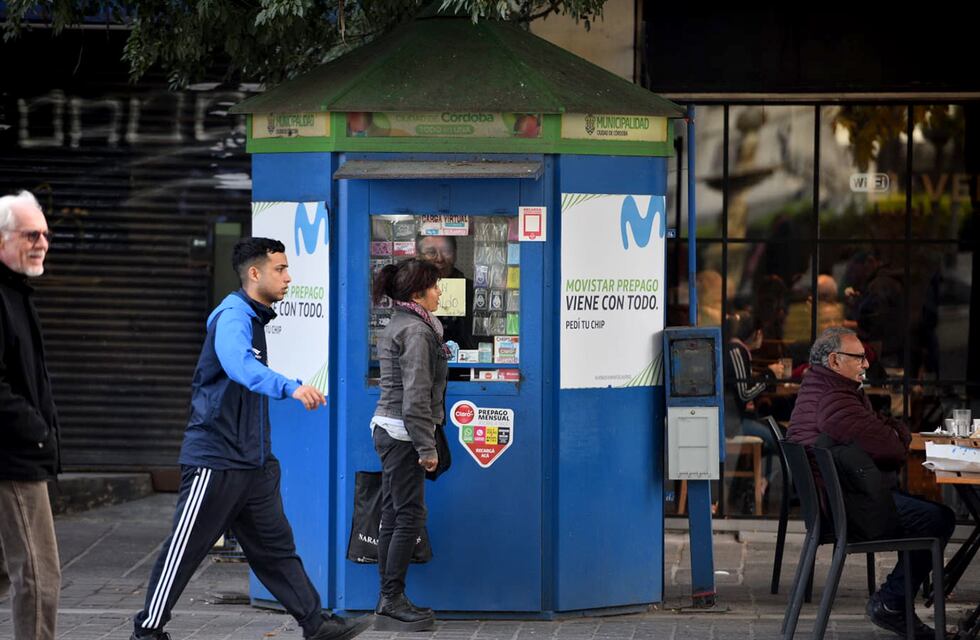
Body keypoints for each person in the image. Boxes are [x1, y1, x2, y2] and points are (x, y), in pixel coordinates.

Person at [132, 238, 367, 640]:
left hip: (254, 462)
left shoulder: (255, 316)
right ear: (254, 273)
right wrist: (290, 387)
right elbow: (240, 366)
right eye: (280, 269)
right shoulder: (232, 317)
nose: (289, 277)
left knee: (276, 548)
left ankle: (315, 624)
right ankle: (147, 631)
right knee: (184, 549)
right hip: (216, 458)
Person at [786, 327, 955, 640]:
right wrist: (897, 432)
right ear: (835, 360)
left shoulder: (819, 387)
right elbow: (891, 449)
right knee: (938, 518)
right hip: (849, 510)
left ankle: (893, 602)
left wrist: (889, 430)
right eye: (859, 358)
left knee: (927, 511)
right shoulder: (836, 399)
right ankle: (892, 604)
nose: (865, 364)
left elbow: (878, 432)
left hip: (836, 503)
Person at [370, 258, 447, 631]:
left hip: (393, 429)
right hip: (403, 433)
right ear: (418, 292)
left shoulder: (404, 324)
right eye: (434, 286)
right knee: (409, 516)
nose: (439, 291)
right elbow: (415, 396)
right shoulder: (416, 332)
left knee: (395, 513)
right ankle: (392, 599)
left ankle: (389, 598)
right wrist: (426, 448)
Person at [0, 190, 60, 640]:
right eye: (29, 234)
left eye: (45, 233)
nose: (41, 242)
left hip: (17, 451)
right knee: (39, 577)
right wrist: (37, 435)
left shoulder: (16, 290)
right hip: (14, 459)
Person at [723, 312, 784, 508]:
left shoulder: (733, 349)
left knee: (778, 438)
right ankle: (757, 485)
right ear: (757, 333)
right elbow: (744, 393)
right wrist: (769, 375)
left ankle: (751, 485)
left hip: (733, 419)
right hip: (732, 423)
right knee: (784, 441)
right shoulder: (737, 350)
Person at [415, 235, 475, 349]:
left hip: (465, 362)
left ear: (456, 253)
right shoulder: (412, 292)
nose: (439, 259)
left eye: (447, 251)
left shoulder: (472, 291)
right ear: (418, 255)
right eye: (431, 252)